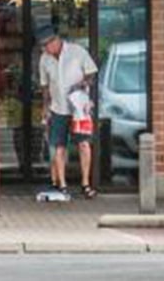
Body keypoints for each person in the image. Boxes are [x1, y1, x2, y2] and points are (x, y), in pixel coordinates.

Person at [38, 24, 100, 199]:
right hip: (58, 107)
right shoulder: (44, 59)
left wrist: (83, 84)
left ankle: (85, 184)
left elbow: (91, 72)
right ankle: (62, 185)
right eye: (43, 46)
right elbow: (44, 86)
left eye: (46, 45)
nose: (45, 49)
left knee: (83, 144)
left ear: (55, 41)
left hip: (79, 108)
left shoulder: (77, 51)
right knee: (59, 146)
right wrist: (45, 107)